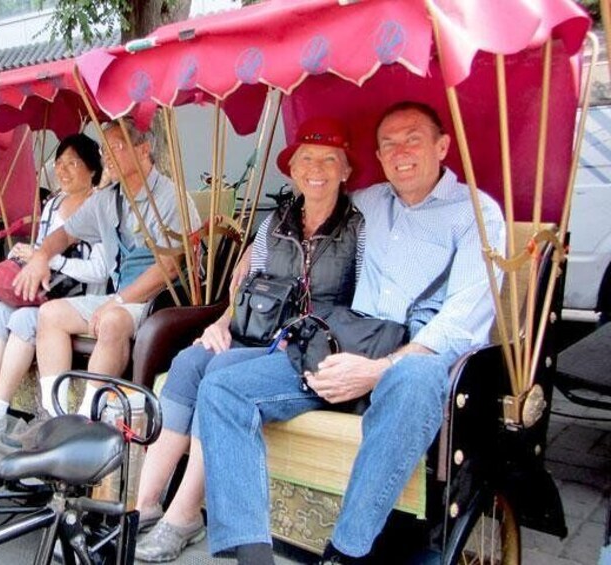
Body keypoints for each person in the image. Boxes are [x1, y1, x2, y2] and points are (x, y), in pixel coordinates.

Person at [196, 102, 506, 564]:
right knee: (221, 384)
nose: (401, 152)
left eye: (413, 139)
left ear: (442, 146)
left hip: (411, 357)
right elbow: (304, 209)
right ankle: (253, 551)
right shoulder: (370, 200)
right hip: (345, 342)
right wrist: (247, 262)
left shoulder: (476, 214)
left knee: (417, 377)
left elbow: (463, 320)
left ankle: (346, 551)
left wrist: (378, 370)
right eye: (389, 145)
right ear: (378, 158)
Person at [132, 117, 365, 562]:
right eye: (306, 160)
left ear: (345, 170)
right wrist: (221, 322)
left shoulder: (359, 227)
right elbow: (246, 286)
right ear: (293, 170)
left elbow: (367, 302)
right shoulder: (275, 222)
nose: (316, 169)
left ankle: (183, 516)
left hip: (309, 349)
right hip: (258, 336)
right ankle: (143, 503)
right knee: (189, 361)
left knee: (219, 373)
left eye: (329, 160)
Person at [13, 117, 201, 416]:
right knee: (50, 313)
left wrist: (118, 301)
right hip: (122, 297)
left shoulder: (171, 198)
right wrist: (40, 257)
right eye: (104, 148)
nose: (107, 156)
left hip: (162, 300)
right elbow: (63, 234)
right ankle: (56, 410)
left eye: (116, 146)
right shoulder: (108, 199)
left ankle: (89, 413)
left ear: (143, 149)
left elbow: (171, 266)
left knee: (112, 321)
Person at [0, 133, 110, 444]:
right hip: (40, 292)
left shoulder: (100, 207)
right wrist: (26, 256)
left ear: (92, 169)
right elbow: (39, 250)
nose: (63, 170)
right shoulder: (54, 204)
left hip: (78, 300)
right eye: (59, 163)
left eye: (73, 163)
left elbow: (99, 269)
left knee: (22, 320)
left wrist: (48, 261)